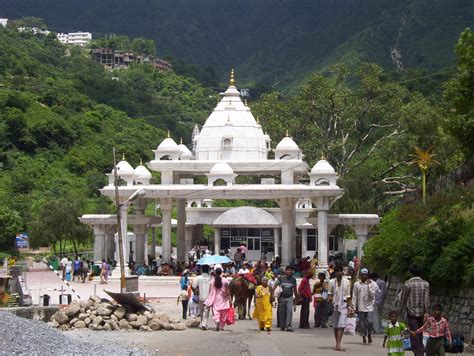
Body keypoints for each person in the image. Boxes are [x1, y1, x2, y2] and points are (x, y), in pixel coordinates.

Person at [399, 265, 430, 356]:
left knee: (414, 333)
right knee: (420, 332)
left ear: (410, 272)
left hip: (411, 312)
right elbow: (426, 298)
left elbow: (403, 298)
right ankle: (419, 351)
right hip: (422, 312)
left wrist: (400, 310)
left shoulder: (408, 283)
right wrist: (426, 311)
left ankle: (418, 352)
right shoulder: (425, 284)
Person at [352, 268, 381, 344]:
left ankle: (369, 334)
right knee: (362, 323)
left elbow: (375, 293)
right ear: (360, 275)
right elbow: (354, 296)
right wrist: (353, 307)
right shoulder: (356, 284)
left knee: (370, 322)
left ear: (368, 275)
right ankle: (364, 337)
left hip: (370, 306)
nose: (364, 276)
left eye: (366, 275)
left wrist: (369, 286)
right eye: (363, 275)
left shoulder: (372, 283)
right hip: (361, 306)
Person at [328, 264, 352, 352]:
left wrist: (350, 308)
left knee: (341, 325)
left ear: (343, 272)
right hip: (335, 305)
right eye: (337, 271)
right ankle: (337, 342)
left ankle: (338, 344)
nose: (339, 273)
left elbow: (349, 296)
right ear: (335, 272)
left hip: (344, 305)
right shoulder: (331, 282)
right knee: (336, 325)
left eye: (340, 271)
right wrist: (330, 299)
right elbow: (329, 294)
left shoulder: (347, 282)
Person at [204, 267, 231, 331]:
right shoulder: (224, 280)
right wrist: (229, 298)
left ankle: (217, 322)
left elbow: (210, 290)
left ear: (215, 273)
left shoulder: (213, 280)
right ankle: (221, 326)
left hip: (216, 298)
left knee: (216, 311)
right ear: (221, 272)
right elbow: (227, 290)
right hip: (224, 298)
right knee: (224, 313)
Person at [275, 266, 297, 332]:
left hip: (289, 297)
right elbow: (274, 286)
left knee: (289, 312)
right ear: (285, 271)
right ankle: (282, 326)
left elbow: (295, 290)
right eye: (288, 270)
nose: (289, 272)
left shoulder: (293, 280)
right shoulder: (281, 278)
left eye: (290, 270)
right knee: (282, 312)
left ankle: (288, 326)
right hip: (281, 298)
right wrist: (273, 296)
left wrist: (296, 298)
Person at [192, 264, 211, 330]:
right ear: (208, 270)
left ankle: (203, 323)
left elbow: (193, 286)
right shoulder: (210, 278)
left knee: (202, 310)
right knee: (206, 310)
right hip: (208, 297)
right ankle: (204, 324)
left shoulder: (198, 278)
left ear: (202, 270)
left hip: (201, 296)